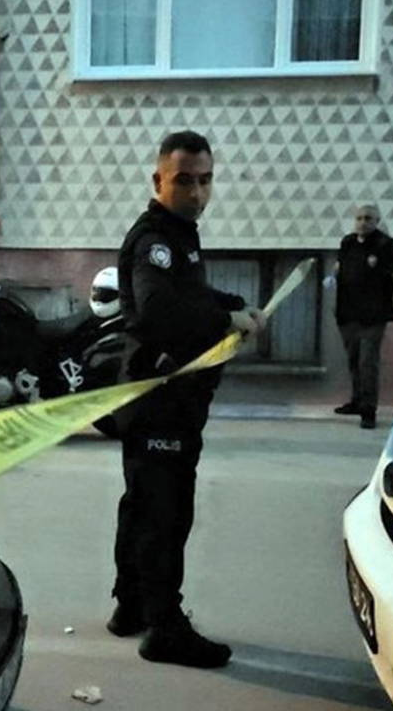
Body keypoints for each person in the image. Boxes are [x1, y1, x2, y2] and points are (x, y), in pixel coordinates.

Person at [108, 130, 266, 669]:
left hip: (162, 400)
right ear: (158, 180)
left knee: (141, 506)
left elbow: (187, 293)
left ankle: (131, 606)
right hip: (160, 403)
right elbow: (158, 309)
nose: (197, 192)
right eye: (184, 181)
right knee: (165, 515)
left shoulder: (179, 235)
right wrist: (226, 320)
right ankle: (164, 627)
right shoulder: (155, 240)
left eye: (205, 180)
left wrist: (233, 304)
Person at [327, 204, 393, 430]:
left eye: (368, 218)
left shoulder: (386, 245)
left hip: (373, 314)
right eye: (359, 218)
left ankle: (368, 410)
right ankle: (356, 401)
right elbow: (339, 267)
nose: (363, 222)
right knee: (353, 359)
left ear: (377, 221)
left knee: (367, 362)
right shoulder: (348, 242)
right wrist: (332, 279)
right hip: (347, 311)